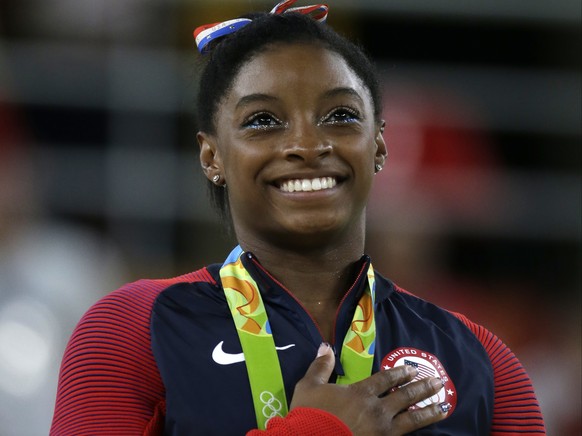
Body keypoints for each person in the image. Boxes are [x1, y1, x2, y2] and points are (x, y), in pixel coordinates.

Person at [50, 1, 546, 434]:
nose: (308, 146)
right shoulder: (130, 329)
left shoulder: (480, 358)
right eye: (263, 120)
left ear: (378, 144)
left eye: (341, 116)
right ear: (212, 157)